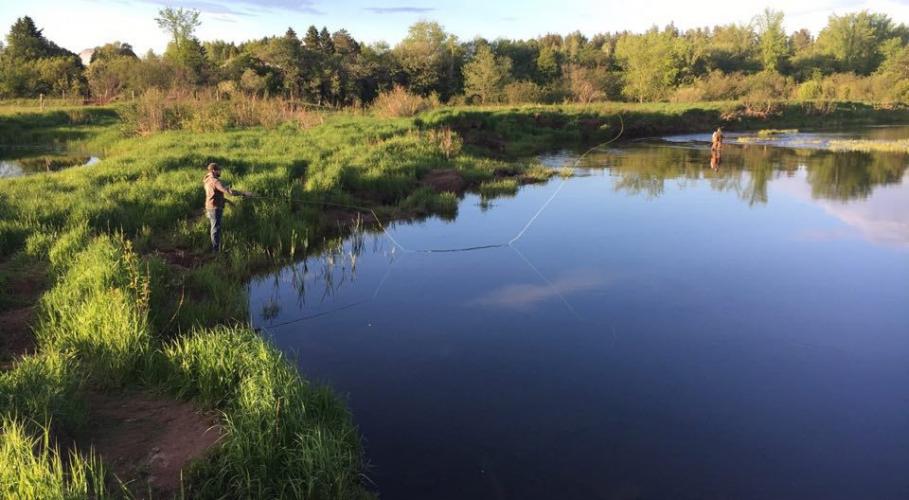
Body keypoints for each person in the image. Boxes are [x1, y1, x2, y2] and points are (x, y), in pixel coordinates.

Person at [202, 162, 251, 252]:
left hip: (209, 207)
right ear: (214, 170)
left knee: (214, 228)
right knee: (215, 229)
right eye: (219, 170)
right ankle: (215, 251)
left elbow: (214, 195)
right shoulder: (215, 181)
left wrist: (228, 201)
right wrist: (244, 193)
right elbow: (227, 191)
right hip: (215, 208)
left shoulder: (207, 180)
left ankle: (214, 248)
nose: (220, 172)